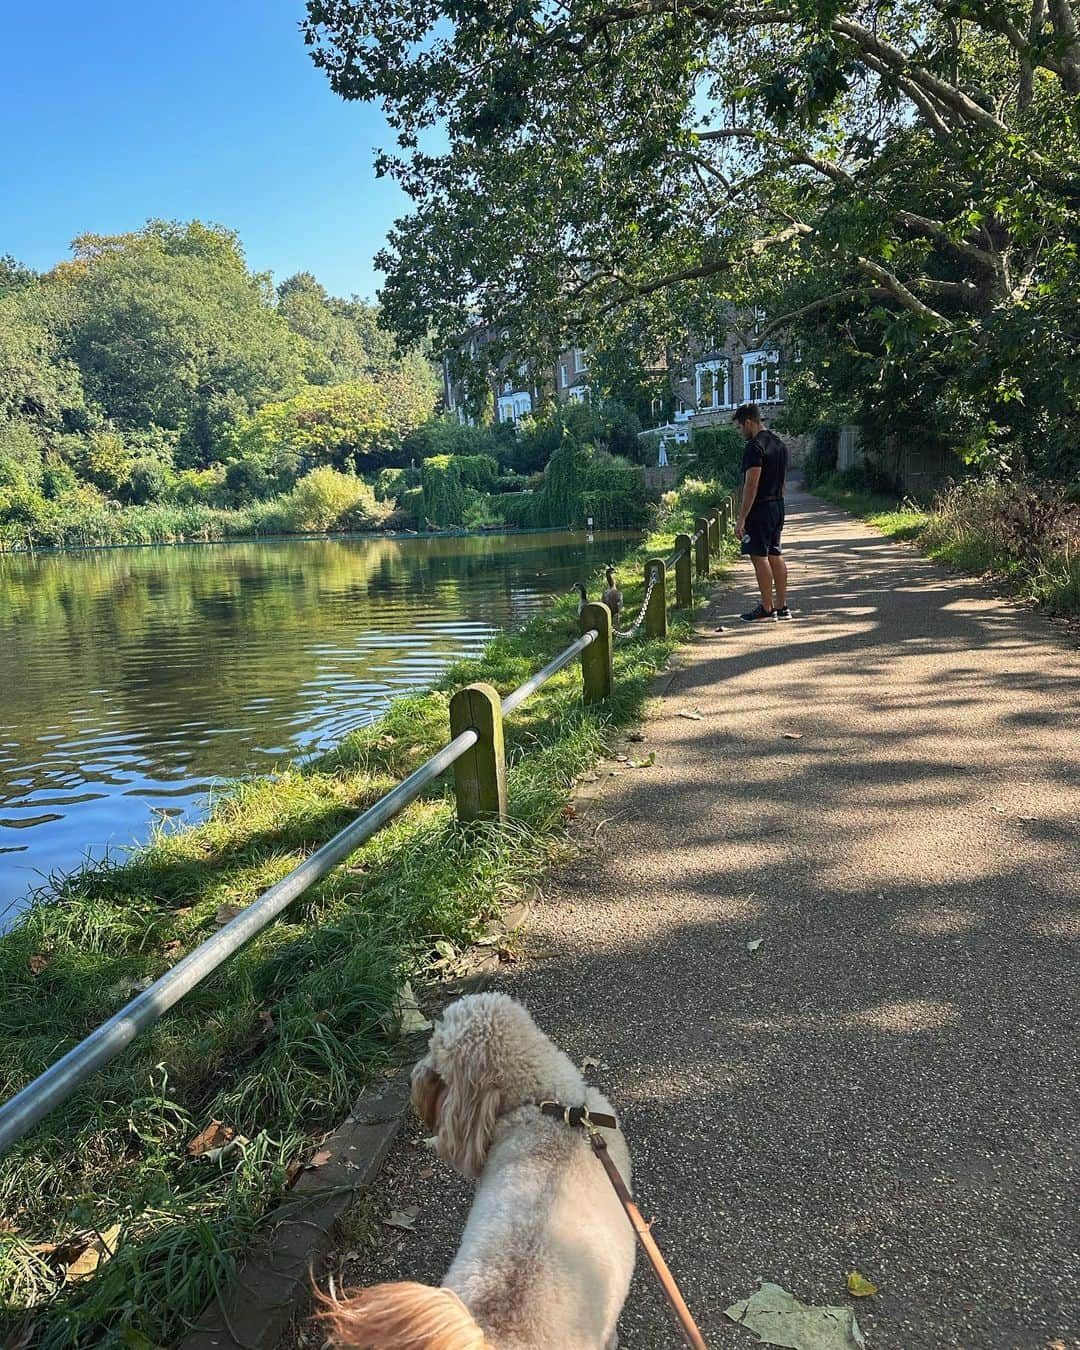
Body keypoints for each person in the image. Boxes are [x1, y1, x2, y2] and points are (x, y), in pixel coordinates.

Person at [732, 402, 791, 621]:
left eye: (740, 427)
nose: (740, 432)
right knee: (775, 554)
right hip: (778, 504)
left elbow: (751, 485)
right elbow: (783, 480)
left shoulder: (754, 447)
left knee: (759, 556)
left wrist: (742, 518)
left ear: (749, 422)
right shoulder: (778, 444)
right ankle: (782, 606)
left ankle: (767, 607)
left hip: (761, 507)